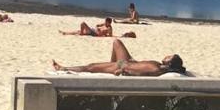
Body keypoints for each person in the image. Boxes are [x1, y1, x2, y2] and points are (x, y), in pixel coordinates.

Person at [52, 38, 185, 76]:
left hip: (122, 66)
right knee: (117, 42)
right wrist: (133, 61)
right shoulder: (158, 66)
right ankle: (108, 65)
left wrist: (122, 70)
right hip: (127, 62)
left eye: (169, 56)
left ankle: (63, 68)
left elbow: (139, 72)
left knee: (91, 67)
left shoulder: (156, 69)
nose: (167, 55)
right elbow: (140, 67)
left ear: (170, 63)